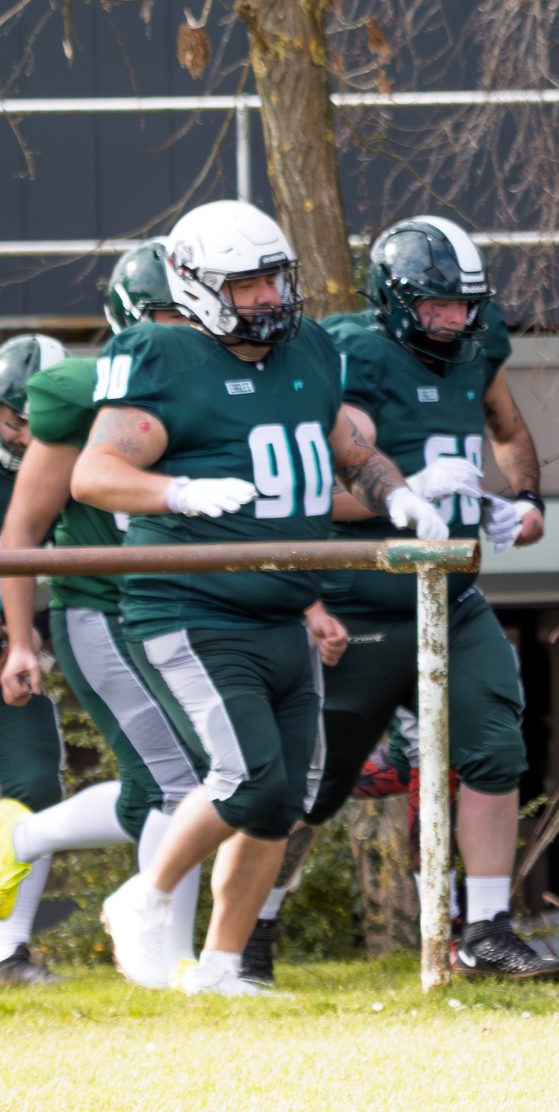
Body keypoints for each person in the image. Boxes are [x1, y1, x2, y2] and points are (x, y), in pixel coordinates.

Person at [73, 199, 448, 997]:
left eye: (275, 278)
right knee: (249, 780)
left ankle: (221, 967)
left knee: (285, 800)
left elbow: (351, 449)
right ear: (195, 284)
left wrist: (398, 493)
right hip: (192, 604)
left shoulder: (308, 347)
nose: (268, 297)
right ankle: (144, 896)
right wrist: (177, 493)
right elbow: (94, 474)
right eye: (245, 285)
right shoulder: (162, 355)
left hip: (284, 606)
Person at [238, 215, 559, 984]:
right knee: (311, 786)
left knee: (496, 748)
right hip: (356, 602)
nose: (452, 320)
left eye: (463, 305)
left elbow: (507, 428)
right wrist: (408, 490)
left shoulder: (479, 347)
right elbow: (309, 493)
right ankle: (251, 928)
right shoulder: (348, 354)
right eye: (435, 305)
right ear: (392, 300)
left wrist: (522, 500)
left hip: (450, 595)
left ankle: (486, 930)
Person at [0, 249, 201, 986]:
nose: (188, 328)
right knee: (184, 783)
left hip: (173, 610)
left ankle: (24, 846)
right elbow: (21, 532)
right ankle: (171, 962)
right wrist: (22, 638)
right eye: (170, 313)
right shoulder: (78, 396)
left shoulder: (209, 388)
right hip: (104, 615)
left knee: (171, 789)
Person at [0, 333, 133, 984]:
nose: (24, 436)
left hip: (4, 659)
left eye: (37, 421)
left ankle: (10, 954)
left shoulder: (80, 457)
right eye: (14, 420)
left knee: (36, 788)